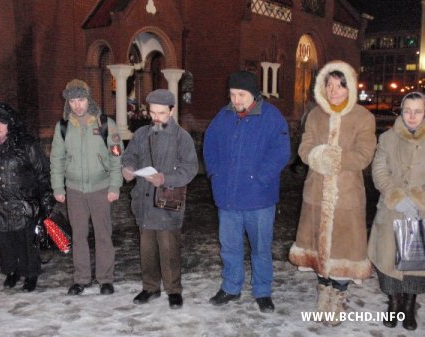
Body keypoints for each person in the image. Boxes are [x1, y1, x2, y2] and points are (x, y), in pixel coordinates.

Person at [288, 60, 377, 326]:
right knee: (318, 246)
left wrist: (336, 159)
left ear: (349, 87)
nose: (334, 91)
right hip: (316, 193)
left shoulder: (363, 117)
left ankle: (338, 297)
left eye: (340, 85)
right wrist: (317, 156)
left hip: (347, 195)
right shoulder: (314, 115)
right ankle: (323, 291)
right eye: (329, 85)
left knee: (343, 248)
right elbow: (304, 149)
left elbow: (364, 154)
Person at [203, 71, 291, 313]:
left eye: (241, 94)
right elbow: (209, 145)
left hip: (259, 198)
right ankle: (231, 287)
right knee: (229, 246)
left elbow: (281, 152)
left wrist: (260, 177)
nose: (236, 99)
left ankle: (262, 291)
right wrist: (215, 174)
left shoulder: (271, 117)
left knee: (261, 248)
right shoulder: (223, 116)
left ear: (253, 94)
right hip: (228, 198)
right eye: (232, 94)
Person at [121, 89, 198, 309]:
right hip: (144, 202)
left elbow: (190, 169)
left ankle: (174, 290)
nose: (156, 117)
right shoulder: (141, 134)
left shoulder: (181, 137)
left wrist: (165, 178)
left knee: (168, 248)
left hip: (167, 203)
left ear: (172, 111)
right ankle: (150, 287)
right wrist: (127, 168)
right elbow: (130, 156)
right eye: (152, 113)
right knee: (146, 249)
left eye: (161, 113)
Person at [50, 79, 124, 295]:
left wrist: (115, 185)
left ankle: (106, 279)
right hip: (74, 190)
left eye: (80, 99)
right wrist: (58, 187)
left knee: (103, 234)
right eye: (72, 101)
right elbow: (57, 159)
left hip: (100, 188)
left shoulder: (105, 124)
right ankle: (81, 278)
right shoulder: (62, 127)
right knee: (79, 235)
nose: (77, 105)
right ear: (68, 103)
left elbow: (116, 156)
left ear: (88, 99)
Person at [0, 102, 54, 292]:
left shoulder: (26, 144)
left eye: (1, 122)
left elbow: (42, 173)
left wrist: (45, 202)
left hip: (23, 204)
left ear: (10, 124)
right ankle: (12, 271)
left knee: (27, 242)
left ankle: (31, 273)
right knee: (5, 242)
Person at [368, 91, 425, 331]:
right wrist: (397, 197)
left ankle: (410, 305)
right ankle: (393, 303)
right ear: (401, 111)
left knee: (414, 264)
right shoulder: (387, 138)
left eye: (418, 111)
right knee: (389, 261)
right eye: (407, 110)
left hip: (420, 211)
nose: (412, 116)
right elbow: (379, 170)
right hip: (392, 209)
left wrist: (419, 199)